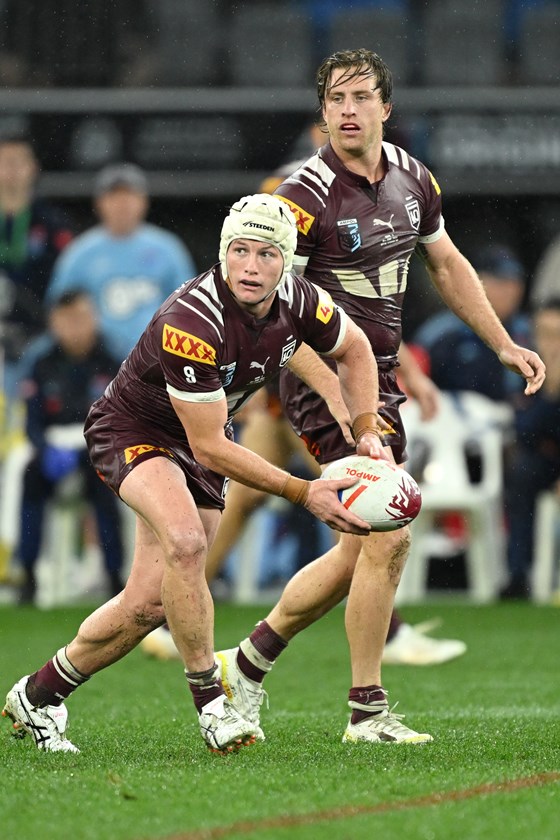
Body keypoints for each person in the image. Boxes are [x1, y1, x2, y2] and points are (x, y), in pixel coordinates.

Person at [210, 48, 545, 747]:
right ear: (323, 110)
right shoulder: (301, 195)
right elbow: (280, 316)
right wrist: (344, 403)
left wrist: (501, 343)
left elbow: (447, 264)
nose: (348, 110)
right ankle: (366, 712)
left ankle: (247, 664)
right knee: (387, 535)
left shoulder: (413, 178)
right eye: (335, 99)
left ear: (386, 108)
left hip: (383, 381)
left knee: (362, 545)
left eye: (361, 97)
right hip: (324, 385)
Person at [2, 193, 388, 755]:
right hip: (133, 429)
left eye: (265, 254)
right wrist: (305, 492)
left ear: (287, 263)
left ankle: (37, 696)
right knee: (185, 544)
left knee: (147, 604)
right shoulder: (192, 320)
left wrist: (366, 427)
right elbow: (209, 446)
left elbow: (352, 350)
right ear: (222, 253)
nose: (251, 266)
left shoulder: (301, 299)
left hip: (197, 434)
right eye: (239, 251)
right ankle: (213, 706)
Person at [16, 290, 124, 605]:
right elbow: (31, 421)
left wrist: (88, 448)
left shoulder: (112, 361)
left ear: (94, 319)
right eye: (67, 321)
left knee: (108, 491)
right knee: (29, 477)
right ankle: (28, 574)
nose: (75, 328)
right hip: (54, 445)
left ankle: (115, 577)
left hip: (96, 445)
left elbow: (120, 419)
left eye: (81, 319)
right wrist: (44, 448)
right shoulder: (42, 363)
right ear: (54, 323)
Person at [46, 163, 196, 364]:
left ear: (143, 201)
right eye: (114, 196)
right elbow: (58, 311)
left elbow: (192, 309)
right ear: (99, 203)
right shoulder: (80, 254)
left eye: (129, 195)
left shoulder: (168, 249)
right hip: (96, 363)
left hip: (155, 360)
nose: (122, 204)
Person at [0, 134, 74, 403]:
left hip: (38, 337)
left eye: (19, 162)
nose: (11, 171)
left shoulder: (53, 223)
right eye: (5, 162)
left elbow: (68, 287)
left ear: (33, 168)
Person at [413, 244, 532, 402]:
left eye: (515, 282)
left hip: (514, 419)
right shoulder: (442, 331)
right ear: (477, 282)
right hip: (450, 416)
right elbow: (412, 379)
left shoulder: (530, 331)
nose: (510, 291)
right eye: (501, 281)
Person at [501, 298, 560, 599]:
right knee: (521, 471)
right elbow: (525, 432)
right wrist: (551, 390)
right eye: (546, 334)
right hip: (543, 457)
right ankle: (518, 574)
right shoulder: (524, 369)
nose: (552, 344)